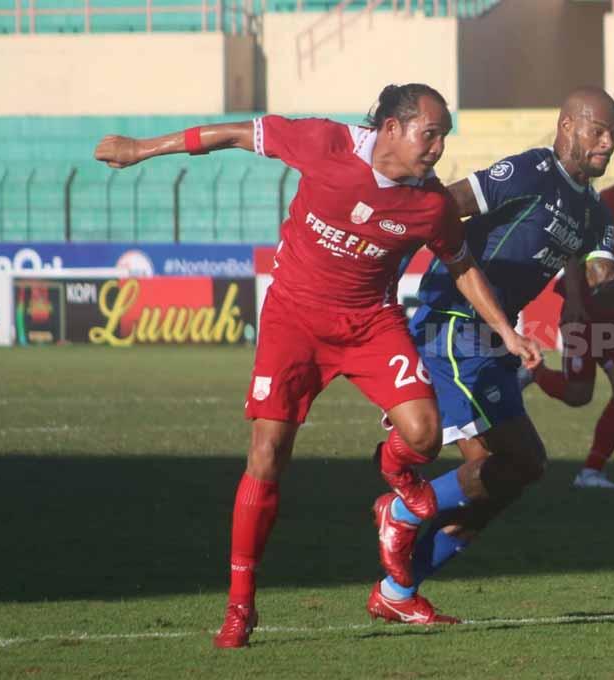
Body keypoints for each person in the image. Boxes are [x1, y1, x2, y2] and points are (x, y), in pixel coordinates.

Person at [94, 83, 540, 647]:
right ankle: (240, 605)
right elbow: (231, 133)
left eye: (444, 136)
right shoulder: (324, 143)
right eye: (430, 134)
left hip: (369, 325)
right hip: (294, 321)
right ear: (393, 128)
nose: (438, 147)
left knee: (425, 435)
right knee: (266, 454)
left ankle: (396, 479)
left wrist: (506, 331)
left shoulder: (431, 205)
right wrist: (141, 150)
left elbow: (463, 264)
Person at [366, 87, 614, 623]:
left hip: (494, 339)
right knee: (513, 464)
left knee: (507, 480)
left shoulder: (594, 211)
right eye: (598, 131)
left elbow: (601, 289)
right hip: (455, 324)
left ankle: (398, 589)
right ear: (566, 126)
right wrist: (385, 264)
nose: (607, 143)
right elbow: (448, 205)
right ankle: (401, 509)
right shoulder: (534, 171)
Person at [522, 127, 614, 490]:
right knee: (579, 395)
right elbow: (575, 248)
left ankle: (591, 471)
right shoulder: (609, 201)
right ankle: (532, 371)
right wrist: (574, 299)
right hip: (586, 305)